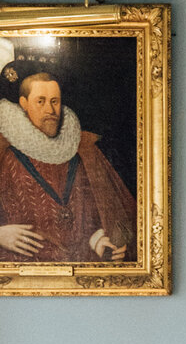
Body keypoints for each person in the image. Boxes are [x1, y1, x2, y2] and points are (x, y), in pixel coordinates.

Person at [0, 62, 134, 263]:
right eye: (41, 101)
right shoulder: (3, 150)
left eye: (55, 101)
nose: (50, 110)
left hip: (76, 263)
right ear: (23, 103)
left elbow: (99, 213)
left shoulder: (82, 149)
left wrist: (97, 238)